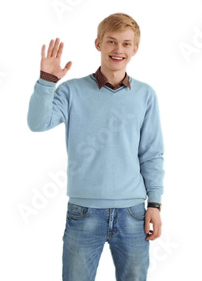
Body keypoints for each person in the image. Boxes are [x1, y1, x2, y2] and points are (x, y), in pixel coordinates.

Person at [27, 12, 165, 281]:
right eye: (111, 42)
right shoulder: (71, 91)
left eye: (126, 43)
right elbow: (37, 123)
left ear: (135, 48)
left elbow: (152, 153)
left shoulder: (146, 95)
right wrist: (47, 81)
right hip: (84, 211)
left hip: (133, 213)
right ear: (98, 44)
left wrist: (155, 204)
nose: (118, 49)